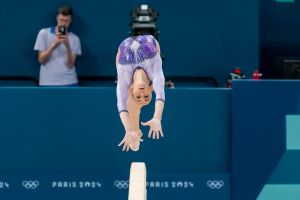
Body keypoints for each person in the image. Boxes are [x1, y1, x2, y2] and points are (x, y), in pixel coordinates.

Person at [116, 34, 165, 152]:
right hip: (151, 43)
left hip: (124, 57)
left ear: (132, 89)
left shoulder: (124, 76)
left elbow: (121, 106)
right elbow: (160, 94)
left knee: (128, 102)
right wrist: (157, 118)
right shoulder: (155, 72)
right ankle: (135, 131)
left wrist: (128, 130)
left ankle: (134, 131)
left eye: (138, 96)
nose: (142, 95)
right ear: (151, 89)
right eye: (146, 96)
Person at [34, 5, 81, 86]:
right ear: (57, 18)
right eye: (61, 20)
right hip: (47, 82)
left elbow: (70, 65)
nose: (63, 23)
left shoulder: (75, 39)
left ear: (70, 21)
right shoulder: (43, 33)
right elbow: (41, 60)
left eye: (66, 21)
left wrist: (67, 46)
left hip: (69, 82)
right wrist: (54, 45)